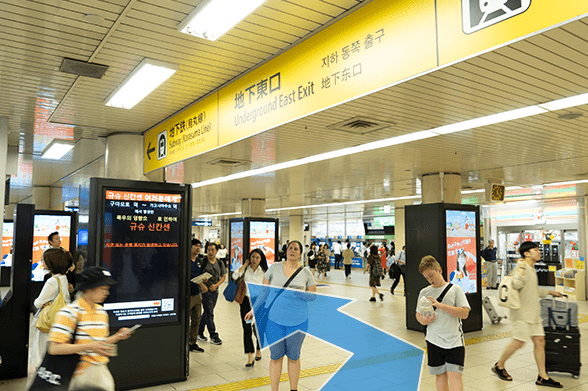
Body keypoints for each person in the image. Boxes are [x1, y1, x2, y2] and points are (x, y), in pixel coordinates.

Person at [245, 240, 316, 391]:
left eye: (296, 249)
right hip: (274, 320)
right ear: (285, 251)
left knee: (293, 356)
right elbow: (264, 293)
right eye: (290, 248)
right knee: (276, 356)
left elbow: (313, 296)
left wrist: (302, 294)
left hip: (298, 321)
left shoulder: (306, 272)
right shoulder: (274, 268)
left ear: (300, 254)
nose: (292, 251)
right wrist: (253, 310)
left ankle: (294, 388)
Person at [47, 267, 133, 391]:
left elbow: (99, 343)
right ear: (89, 288)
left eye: (107, 289)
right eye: (103, 289)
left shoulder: (101, 312)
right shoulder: (69, 313)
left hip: (101, 370)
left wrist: (118, 336)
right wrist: (89, 347)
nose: (106, 293)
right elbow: (54, 348)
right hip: (79, 374)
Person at [492, 241, 564, 387]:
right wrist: (522, 267)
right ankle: (499, 365)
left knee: (539, 341)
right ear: (526, 253)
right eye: (536, 250)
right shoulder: (521, 266)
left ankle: (542, 376)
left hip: (533, 314)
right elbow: (517, 284)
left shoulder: (531, 268)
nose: (539, 252)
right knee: (518, 342)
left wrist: (551, 292)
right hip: (522, 314)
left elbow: (533, 290)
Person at [416, 255, 470, 391]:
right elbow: (418, 314)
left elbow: (464, 313)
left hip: (454, 341)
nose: (430, 280)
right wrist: (423, 320)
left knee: (455, 375)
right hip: (433, 340)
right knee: (440, 376)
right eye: (426, 277)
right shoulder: (424, 292)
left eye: (431, 275)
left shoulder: (455, 289)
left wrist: (440, 306)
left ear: (439, 270)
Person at [29, 248, 72, 371]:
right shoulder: (62, 278)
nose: (42, 262)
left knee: (42, 354)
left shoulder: (52, 281)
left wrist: (41, 303)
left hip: (47, 324)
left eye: (44, 260)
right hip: (59, 321)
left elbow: (38, 303)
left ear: (52, 262)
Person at [233, 248, 268, 367]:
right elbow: (234, 276)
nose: (255, 260)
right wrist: (244, 265)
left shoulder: (264, 271)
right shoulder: (245, 269)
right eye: (253, 257)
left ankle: (258, 349)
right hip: (246, 304)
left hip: (259, 304)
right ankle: (249, 356)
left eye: (257, 258)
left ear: (261, 259)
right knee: (247, 328)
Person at [198, 242, 227, 345]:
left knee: (207, 312)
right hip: (205, 292)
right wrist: (203, 283)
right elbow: (196, 276)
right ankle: (213, 336)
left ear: (217, 251)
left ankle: (199, 332)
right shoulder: (202, 262)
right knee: (209, 313)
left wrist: (216, 285)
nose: (210, 252)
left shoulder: (220, 263)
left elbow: (223, 276)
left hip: (215, 292)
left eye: (212, 250)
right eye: (208, 250)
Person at [189, 239, 208, 353]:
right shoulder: (186, 260)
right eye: (196, 246)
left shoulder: (199, 261)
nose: (198, 248)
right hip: (188, 295)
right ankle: (185, 342)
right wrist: (201, 283)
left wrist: (203, 280)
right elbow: (189, 276)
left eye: (200, 246)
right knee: (187, 320)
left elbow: (198, 275)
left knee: (196, 319)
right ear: (190, 247)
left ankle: (192, 342)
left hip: (197, 294)